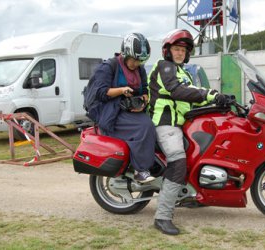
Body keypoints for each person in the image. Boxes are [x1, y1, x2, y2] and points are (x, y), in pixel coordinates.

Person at [148, 29, 225, 235]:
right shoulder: (164, 67)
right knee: (178, 162)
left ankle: (192, 195)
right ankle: (162, 217)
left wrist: (219, 100)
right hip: (165, 124)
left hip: (181, 124)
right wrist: (211, 95)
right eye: (176, 48)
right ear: (168, 50)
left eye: (183, 49)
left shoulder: (184, 72)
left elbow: (192, 95)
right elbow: (178, 91)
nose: (180, 53)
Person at [93, 33, 156, 183]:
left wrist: (144, 99)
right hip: (111, 111)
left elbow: (145, 89)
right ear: (126, 53)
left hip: (131, 109)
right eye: (134, 59)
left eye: (140, 60)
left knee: (154, 123)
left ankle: (153, 163)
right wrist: (122, 90)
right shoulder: (109, 67)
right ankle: (140, 170)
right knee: (145, 126)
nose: (136, 63)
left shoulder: (139, 70)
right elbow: (101, 93)